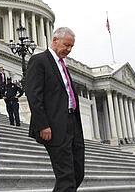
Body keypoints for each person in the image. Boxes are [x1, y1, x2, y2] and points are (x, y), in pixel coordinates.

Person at [26, 27, 85, 192]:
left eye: (71, 46)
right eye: (66, 45)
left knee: (77, 173)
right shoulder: (39, 60)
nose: (69, 49)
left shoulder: (62, 65)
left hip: (73, 123)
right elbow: (33, 95)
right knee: (66, 176)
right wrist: (43, 124)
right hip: (54, 125)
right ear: (55, 40)